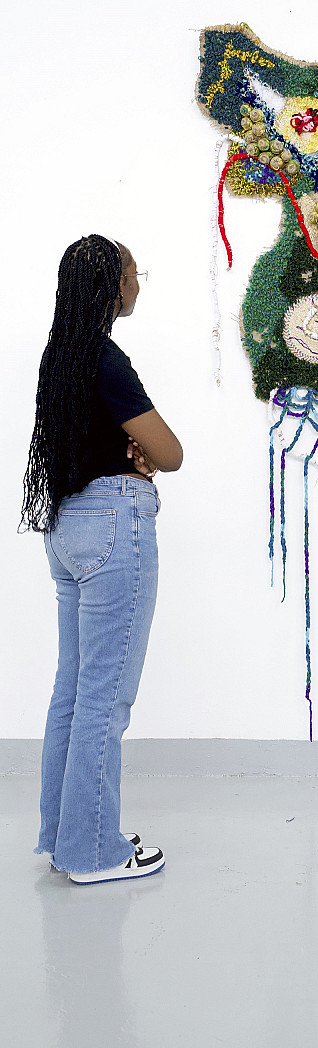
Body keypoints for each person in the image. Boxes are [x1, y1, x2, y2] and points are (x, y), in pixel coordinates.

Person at [21, 234, 183, 884]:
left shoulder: (59, 355)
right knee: (105, 700)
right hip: (114, 526)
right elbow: (169, 453)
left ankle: (67, 836)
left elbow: (88, 444)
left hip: (67, 529)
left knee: (73, 691)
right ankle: (94, 852)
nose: (139, 282)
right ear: (114, 287)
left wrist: (126, 448)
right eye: (134, 273)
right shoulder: (109, 361)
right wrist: (140, 454)